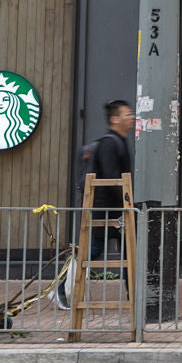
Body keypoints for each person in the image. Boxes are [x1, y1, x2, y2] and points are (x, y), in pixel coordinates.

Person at [58, 100, 134, 310]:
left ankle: (133, 295)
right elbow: (111, 178)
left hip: (113, 210)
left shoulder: (119, 141)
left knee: (125, 251)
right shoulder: (110, 144)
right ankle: (63, 288)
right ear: (114, 119)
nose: (131, 117)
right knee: (94, 250)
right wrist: (126, 203)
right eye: (127, 114)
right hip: (106, 210)